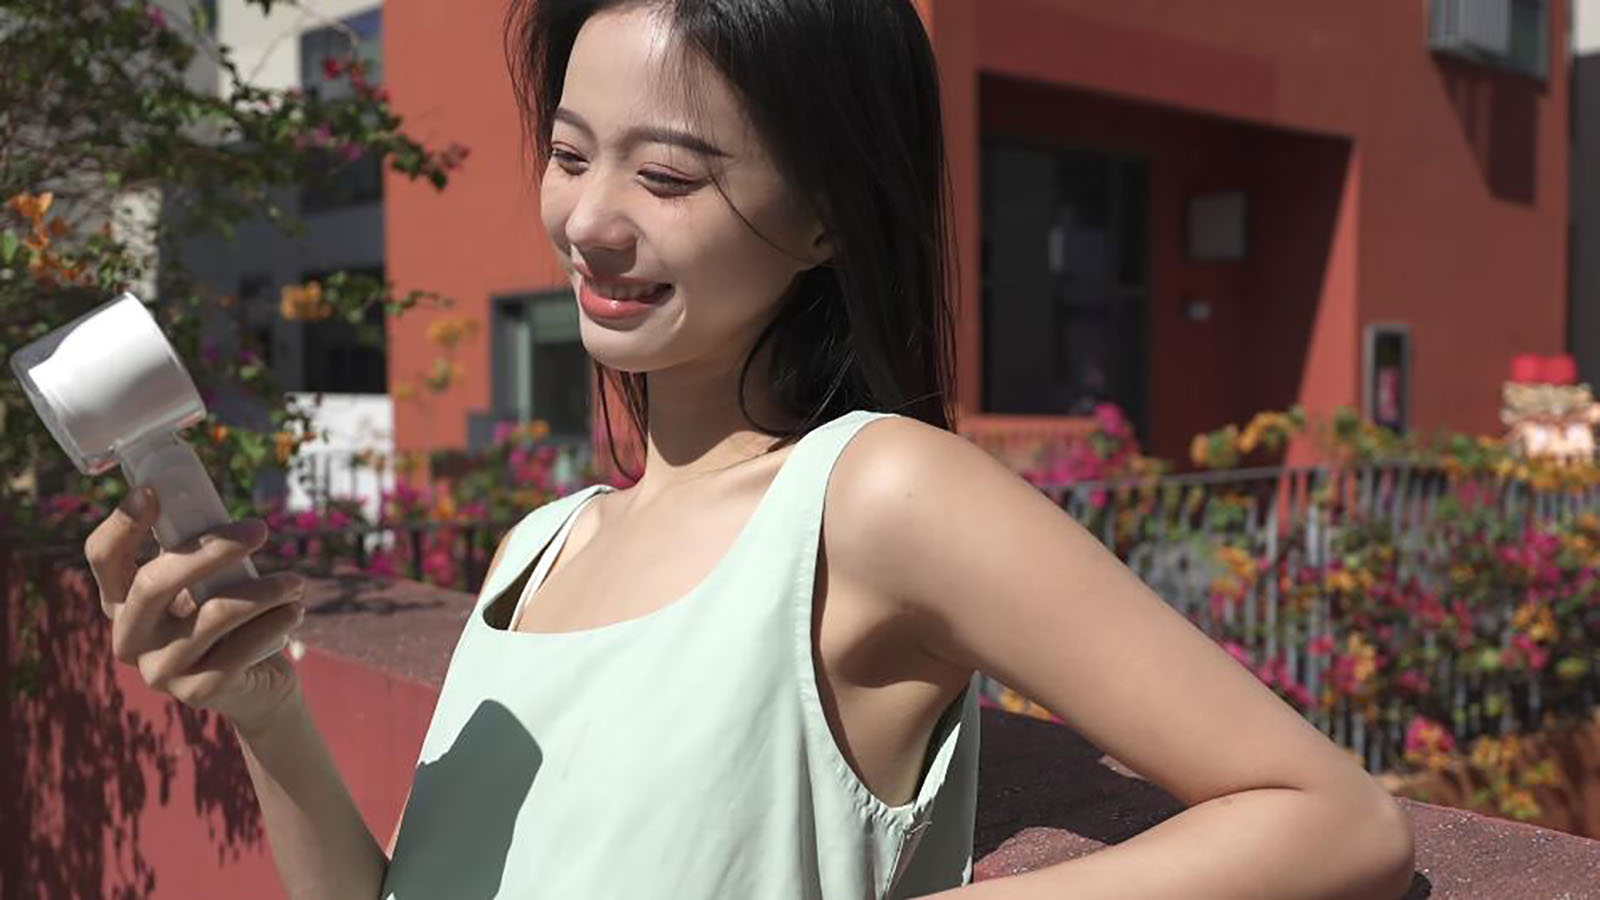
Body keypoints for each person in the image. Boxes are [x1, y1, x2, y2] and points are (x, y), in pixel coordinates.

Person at [83, 1, 1416, 897]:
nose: (589, 221)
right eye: (570, 155)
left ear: (830, 215)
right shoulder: (537, 549)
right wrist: (262, 707)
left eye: (668, 176)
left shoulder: (874, 495)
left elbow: (1334, 819)